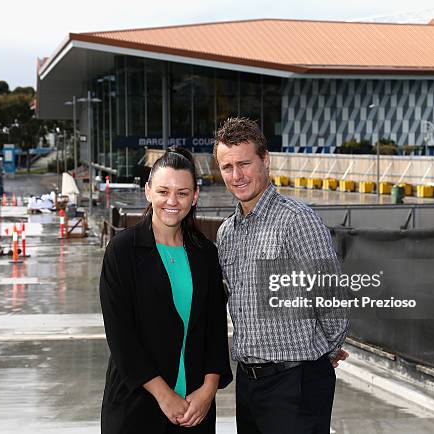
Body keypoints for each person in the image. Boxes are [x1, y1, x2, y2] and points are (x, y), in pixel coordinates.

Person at [214, 117, 349, 434]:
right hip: (248, 383)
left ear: (265, 160)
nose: (237, 175)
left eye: (245, 164)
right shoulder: (226, 233)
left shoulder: (296, 219)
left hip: (295, 383)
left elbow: (332, 298)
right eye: (227, 167)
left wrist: (320, 355)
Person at [99, 147, 233, 434]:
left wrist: (208, 391)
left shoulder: (206, 254)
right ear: (148, 191)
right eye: (163, 191)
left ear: (195, 196)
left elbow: (214, 330)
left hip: (195, 409)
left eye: (182, 193)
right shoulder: (122, 251)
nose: (172, 201)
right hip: (138, 407)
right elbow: (121, 336)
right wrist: (164, 395)